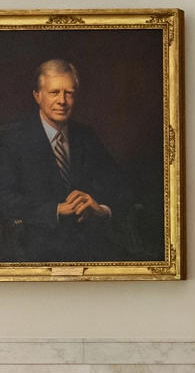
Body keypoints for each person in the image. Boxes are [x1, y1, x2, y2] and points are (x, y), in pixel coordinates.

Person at [0, 59, 135, 262]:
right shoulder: (11, 138)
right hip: (33, 249)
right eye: (54, 92)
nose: (62, 101)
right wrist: (56, 209)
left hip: (90, 246)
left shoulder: (86, 136)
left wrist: (100, 209)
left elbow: (121, 187)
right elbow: (4, 198)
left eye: (69, 93)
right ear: (37, 96)